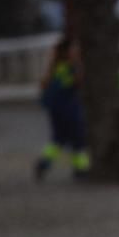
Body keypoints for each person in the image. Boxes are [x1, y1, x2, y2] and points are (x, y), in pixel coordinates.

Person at [35, 37, 89, 180]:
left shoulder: (54, 68)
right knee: (78, 138)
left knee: (58, 138)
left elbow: (44, 85)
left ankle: (44, 162)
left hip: (55, 109)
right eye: (74, 49)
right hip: (69, 108)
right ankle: (81, 168)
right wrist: (78, 63)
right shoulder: (69, 68)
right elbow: (79, 82)